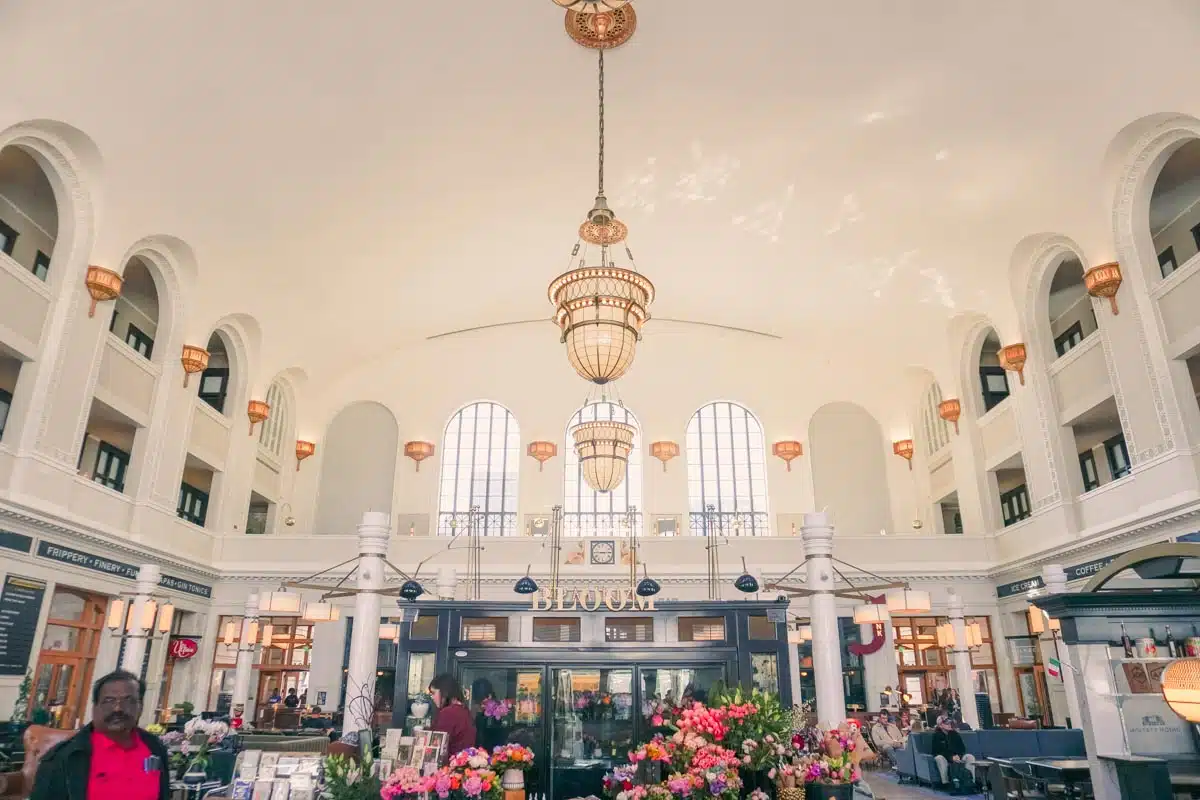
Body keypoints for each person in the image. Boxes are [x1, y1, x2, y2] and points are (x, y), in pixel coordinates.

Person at [30, 669, 170, 800]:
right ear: (95, 707)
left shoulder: (155, 748)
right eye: (109, 701)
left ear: (140, 706)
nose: (118, 708)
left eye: (128, 700)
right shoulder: (65, 757)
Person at [429, 673, 476, 759]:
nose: (432, 697)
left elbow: (436, 744)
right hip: (464, 763)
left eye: (433, 693)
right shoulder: (464, 710)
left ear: (444, 692)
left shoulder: (448, 713)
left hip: (450, 765)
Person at [931, 715, 975, 789]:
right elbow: (936, 751)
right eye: (947, 723)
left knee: (970, 757)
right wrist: (951, 757)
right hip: (945, 757)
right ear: (940, 725)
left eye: (949, 723)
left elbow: (962, 748)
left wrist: (958, 756)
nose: (949, 725)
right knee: (939, 758)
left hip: (957, 756)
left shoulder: (954, 734)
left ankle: (970, 782)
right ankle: (946, 783)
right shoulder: (936, 736)